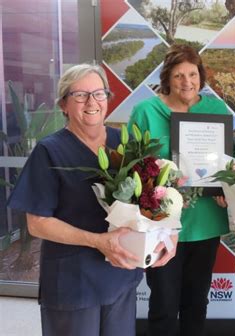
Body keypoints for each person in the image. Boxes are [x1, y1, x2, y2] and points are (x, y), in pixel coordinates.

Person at [7, 64, 146, 335]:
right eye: (80, 95)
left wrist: (165, 236)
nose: (92, 102)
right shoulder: (50, 151)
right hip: (74, 282)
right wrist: (97, 241)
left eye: (99, 93)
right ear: (63, 104)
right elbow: (37, 224)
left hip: (120, 275)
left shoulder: (125, 144)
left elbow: (148, 202)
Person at [128, 44, 229, 336]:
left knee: (197, 303)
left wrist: (225, 189)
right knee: (163, 303)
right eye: (179, 76)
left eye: (193, 74)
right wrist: (159, 200)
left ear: (201, 76)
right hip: (161, 224)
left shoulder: (215, 108)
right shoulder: (146, 111)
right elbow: (134, 166)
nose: (187, 82)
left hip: (206, 221)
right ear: (167, 78)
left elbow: (226, 161)